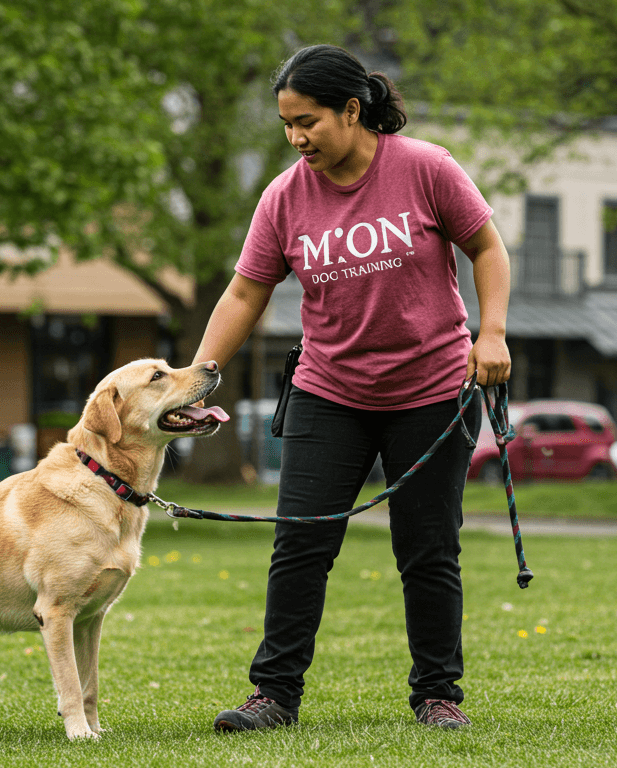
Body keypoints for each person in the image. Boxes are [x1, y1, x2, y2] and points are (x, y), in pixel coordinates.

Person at [190, 43, 512, 732]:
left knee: (427, 548)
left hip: (432, 390)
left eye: (307, 121)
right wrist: (198, 378)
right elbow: (245, 294)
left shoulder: (425, 168)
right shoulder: (284, 196)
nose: (295, 137)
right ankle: (273, 696)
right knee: (300, 542)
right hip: (328, 390)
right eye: (286, 124)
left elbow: (486, 247)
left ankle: (437, 694)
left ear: (351, 109)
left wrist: (493, 334)